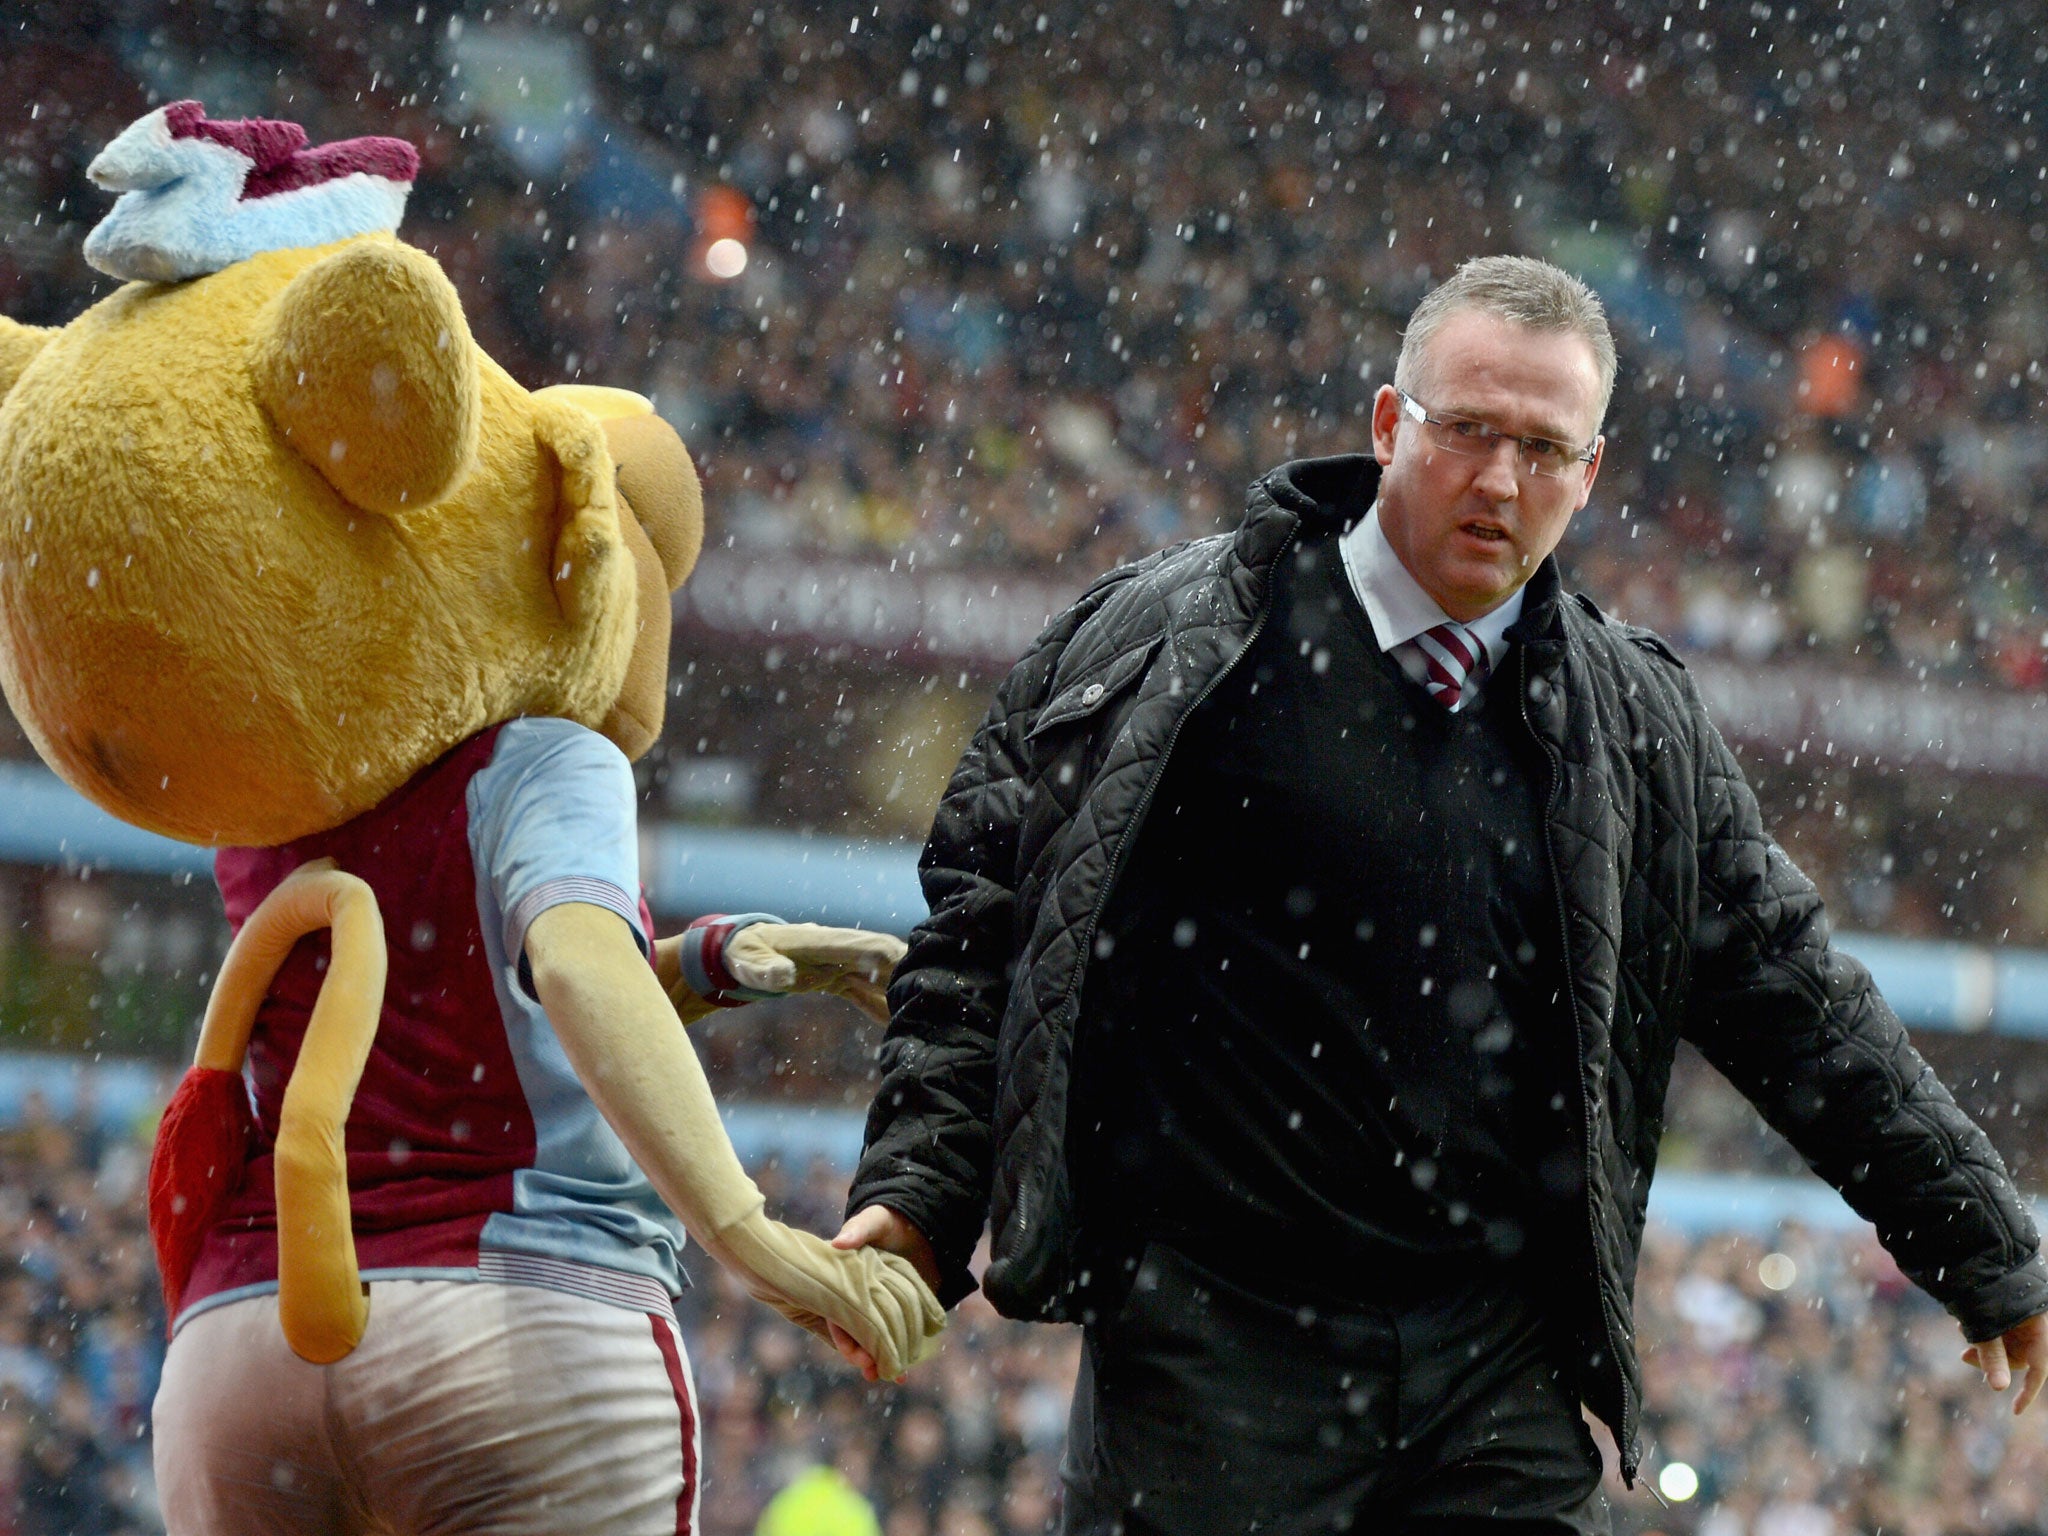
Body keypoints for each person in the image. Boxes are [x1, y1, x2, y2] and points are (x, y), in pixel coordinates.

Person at [830, 255, 2048, 1533]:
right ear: (1383, 425)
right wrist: (918, 1196)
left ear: (1588, 477)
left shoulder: (1631, 725)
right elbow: (985, 929)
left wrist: (1979, 1240)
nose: (1499, 481)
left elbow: (1791, 995)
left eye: (1541, 449)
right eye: (1466, 431)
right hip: (1208, 1352)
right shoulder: (1170, 645)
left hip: (1495, 1369)